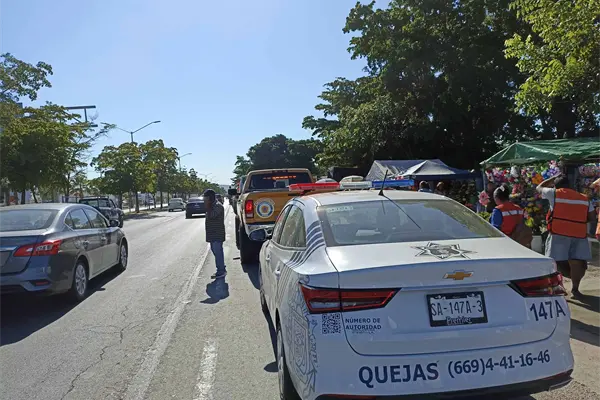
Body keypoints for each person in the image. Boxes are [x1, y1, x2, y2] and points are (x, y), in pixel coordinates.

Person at [537, 174, 595, 297]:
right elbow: (592, 217)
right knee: (577, 262)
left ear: (555, 186)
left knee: (554, 262)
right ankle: (575, 289)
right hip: (579, 234)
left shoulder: (554, 193)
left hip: (558, 233)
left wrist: (552, 178)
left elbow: (539, 188)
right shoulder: (584, 198)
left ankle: (557, 288)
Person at [203, 189, 226, 279]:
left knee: (218, 252)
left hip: (217, 234)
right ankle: (221, 267)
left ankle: (221, 271)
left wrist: (208, 205)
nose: (205, 200)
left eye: (206, 198)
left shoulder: (218, 206)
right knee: (215, 251)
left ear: (211, 198)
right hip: (212, 234)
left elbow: (212, 215)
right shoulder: (212, 205)